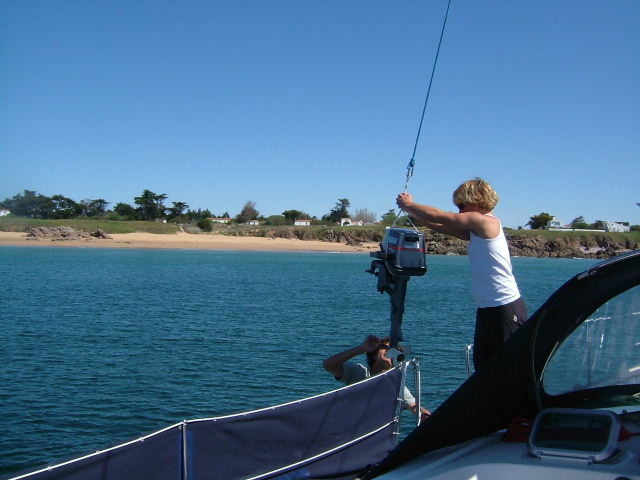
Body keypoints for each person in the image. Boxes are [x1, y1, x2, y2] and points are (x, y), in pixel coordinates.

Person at [396, 177, 527, 370]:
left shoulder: (484, 222)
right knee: (484, 368)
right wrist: (410, 211)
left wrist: (409, 204)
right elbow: (440, 225)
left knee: (507, 369)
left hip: (505, 308)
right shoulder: (476, 230)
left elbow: (442, 216)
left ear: (475, 200)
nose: (459, 210)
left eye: (461, 205)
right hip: (488, 309)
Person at [323, 335, 430, 421]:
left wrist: (425, 415)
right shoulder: (359, 373)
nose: (390, 352)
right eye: (387, 348)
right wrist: (362, 348)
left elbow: (415, 407)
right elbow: (328, 365)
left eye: (395, 351)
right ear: (374, 353)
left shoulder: (397, 386)